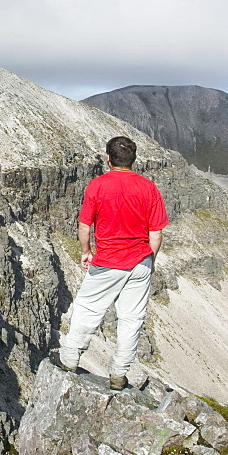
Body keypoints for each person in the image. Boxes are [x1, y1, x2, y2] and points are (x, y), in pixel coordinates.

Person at [49, 135, 169, 390]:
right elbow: (156, 233)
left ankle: (69, 358)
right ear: (133, 160)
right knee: (132, 318)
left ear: (108, 158)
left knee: (87, 308)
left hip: (108, 261)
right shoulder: (149, 188)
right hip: (141, 262)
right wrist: (150, 261)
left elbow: (84, 225)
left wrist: (86, 251)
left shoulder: (98, 186)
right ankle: (118, 373)